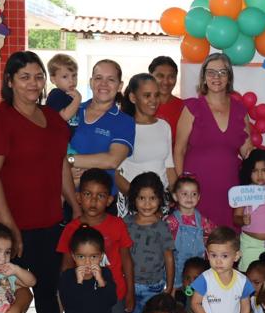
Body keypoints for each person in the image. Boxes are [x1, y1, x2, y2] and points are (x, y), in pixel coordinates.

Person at [0, 50, 76, 313]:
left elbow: (60, 163)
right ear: (10, 82)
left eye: (38, 76)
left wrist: (73, 203)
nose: (33, 83)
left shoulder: (53, 120)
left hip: (49, 221)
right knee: (4, 294)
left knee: (48, 288)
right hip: (8, 228)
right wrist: (9, 228)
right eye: (24, 77)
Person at [58, 169, 136, 313]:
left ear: (109, 199)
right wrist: (64, 299)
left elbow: (127, 259)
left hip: (115, 294)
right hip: (82, 300)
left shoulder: (117, 224)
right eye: (87, 194)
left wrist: (130, 291)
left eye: (100, 196)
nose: (93, 201)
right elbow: (65, 267)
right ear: (78, 197)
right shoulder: (71, 229)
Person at [173, 53, 254, 229]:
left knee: (226, 245)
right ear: (203, 77)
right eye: (211, 72)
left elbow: (248, 153)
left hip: (229, 188)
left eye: (222, 72)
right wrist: (182, 186)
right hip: (196, 189)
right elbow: (179, 150)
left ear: (229, 77)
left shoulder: (241, 110)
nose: (216, 77)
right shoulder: (191, 108)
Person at [66, 59, 135, 203]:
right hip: (67, 197)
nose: (103, 84)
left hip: (103, 203)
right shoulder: (72, 111)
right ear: (91, 82)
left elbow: (112, 160)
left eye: (111, 79)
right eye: (98, 78)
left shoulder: (124, 121)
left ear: (119, 86)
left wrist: (68, 161)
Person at [125, 172, 174, 313]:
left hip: (153, 287)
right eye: (142, 198)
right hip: (129, 286)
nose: (147, 204)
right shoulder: (126, 223)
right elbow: (121, 254)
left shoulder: (161, 227)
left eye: (152, 198)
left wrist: (169, 286)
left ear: (160, 199)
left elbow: (169, 257)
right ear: (134, 199)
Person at [116, 73, 176, 216]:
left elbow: (169, 168)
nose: (153, 100)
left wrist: (178, 196)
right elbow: (116, 173)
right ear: (132, 97)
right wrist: (142, 202)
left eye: (156, 95)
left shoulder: (164, 126)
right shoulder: (123, 128)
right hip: (133, 203)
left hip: (162, 205)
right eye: (147, 95)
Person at [167, 176, 217, 293]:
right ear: (175, 196)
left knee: (198, 292)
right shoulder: (171, 221)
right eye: (184, 194)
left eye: (194, 194)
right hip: (177, 267)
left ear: (199, 197)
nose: (189, 197)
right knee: (174, 291)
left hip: (197, 267)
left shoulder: (203, 220)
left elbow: (215, 236)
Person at [148, 55, 184, 135]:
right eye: (160, 76)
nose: (166, 82)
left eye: (171, 77)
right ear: (150, 76)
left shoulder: (185, 108)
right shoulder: (139, 105)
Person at [45, 53, 82, 127]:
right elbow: (64, 116)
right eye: (65, 77)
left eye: (74, 75)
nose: (71, 80)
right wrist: (78, 99)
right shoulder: (56, 94)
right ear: (53, 79)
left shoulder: (71, 96)